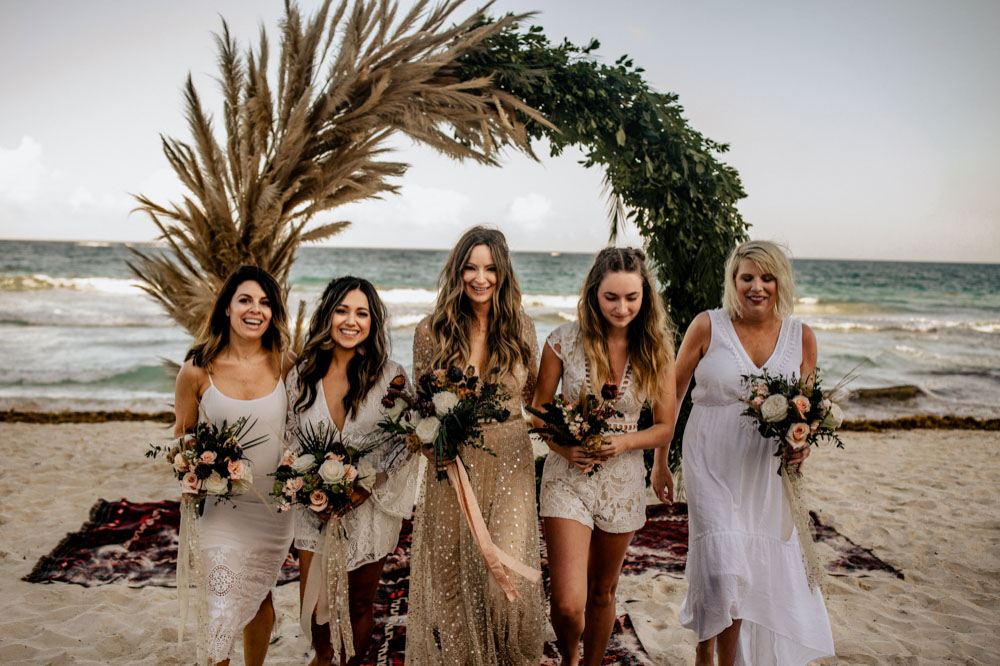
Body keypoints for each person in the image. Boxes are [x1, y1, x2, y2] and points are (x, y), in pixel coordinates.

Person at [651, 240, 835, 665]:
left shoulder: (801, 337)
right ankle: (704, 652)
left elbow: (804, 414)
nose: (757, 287)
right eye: (747, 277)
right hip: (710, 460)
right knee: (723, 565)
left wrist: (800, 449)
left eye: (767, 278)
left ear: (780, 282)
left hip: (764, 471)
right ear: (733, 282)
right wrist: (661, 460)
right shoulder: (707, 326)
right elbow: (673, 394)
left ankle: (724, 659)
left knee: (746, 572)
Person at [405, 226, 545, 666]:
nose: (479, 278)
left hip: (510, 461)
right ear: (458, 270)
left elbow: (534, 399)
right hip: (452, 464)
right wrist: (431, 447)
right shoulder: (432, 331)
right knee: (449, 574)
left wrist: (575, 436)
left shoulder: (522, 327)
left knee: (501, 577)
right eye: (470, 267)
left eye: (489, 268)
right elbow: (421, 408)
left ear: (502, 273)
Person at [533, 247, 677, 666]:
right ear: (594, 293)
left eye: (631, 297)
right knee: (567, 603)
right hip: (566, 476)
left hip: (622, 479)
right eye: (611, 297)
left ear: (645, 296)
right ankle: (569, 656)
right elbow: (540, 411)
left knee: (602, 592)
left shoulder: (656, 350)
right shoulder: (561, 341)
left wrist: (626, 442)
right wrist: (564, 447)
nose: (622, 307)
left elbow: (665, 426)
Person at [287, 276, 418, 666]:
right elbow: (288, 441)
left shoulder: (390, 376)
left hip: (370, 507)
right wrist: (309, 488)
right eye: (342, 310)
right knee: (316, 611)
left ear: (372, 323)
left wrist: (364, 486)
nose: (351, 321)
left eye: (361, 313)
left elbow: (405, 440)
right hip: (315, 510)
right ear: (327, 315)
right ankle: (324, 658)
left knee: (360, 603)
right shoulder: (302, 375)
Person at [172, 265, 295, 666]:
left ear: (274, 313)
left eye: (265, 302)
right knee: (222, 600)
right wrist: (193, 469)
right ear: (226, 307)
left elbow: (302, 428)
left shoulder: (285, 363)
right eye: (245, 300)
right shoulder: (197, 368)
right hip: (221, 510)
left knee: (257, 598)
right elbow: (183, 437)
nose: (255, 310)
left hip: (274, 511)